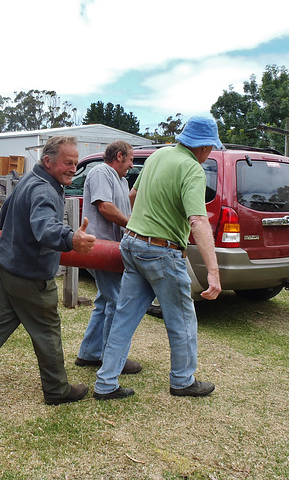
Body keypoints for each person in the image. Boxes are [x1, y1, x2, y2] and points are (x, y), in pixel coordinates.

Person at [0, 136, 96, 405]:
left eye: (75, 163)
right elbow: (45, 228)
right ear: (48, 161)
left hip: (8, 267)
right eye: (68, 162)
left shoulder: (29, 181)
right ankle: (57, 390)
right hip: (30, 274)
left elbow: (2, 217)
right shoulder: (44, 191)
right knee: (48, 330)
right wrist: (70, 239)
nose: (73, 168)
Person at [93, 116, 222, 401]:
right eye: (211, 147)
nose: (210, 153)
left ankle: (106, 382)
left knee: (124, 318)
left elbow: (134, 194)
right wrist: (213, 271)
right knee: (183, 320)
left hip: (133, 243)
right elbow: (198, 220)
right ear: (202, 147)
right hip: (162, 252)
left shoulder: (159, 155)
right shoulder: (192, 169)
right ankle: (182, 380)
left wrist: (142, 222)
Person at [75, 140, 142, 375]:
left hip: (112, 247)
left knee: (104, 301)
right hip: (99, 247)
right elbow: (104, 207)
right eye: (131, 159)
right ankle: (112, 358)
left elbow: (122, 207)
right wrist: (134, 226)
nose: (132, 166)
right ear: (120, 156)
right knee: (116, 301)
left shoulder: (122, 180)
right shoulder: (100, 172)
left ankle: (89, 353)